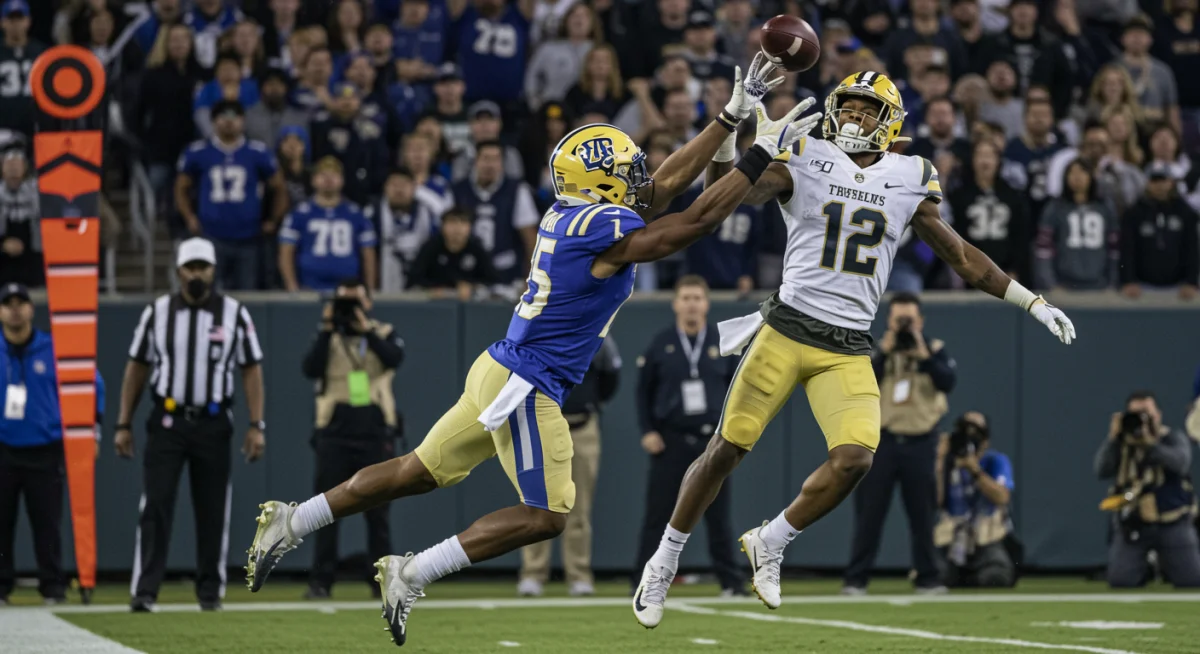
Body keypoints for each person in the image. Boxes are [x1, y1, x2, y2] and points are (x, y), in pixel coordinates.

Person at [246, 54, 818, 647]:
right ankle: (412, 570)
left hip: (499, 367)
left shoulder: (572, 214)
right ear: (602, 181)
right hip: (528, 380)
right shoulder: (601, 228)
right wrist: (759, 156)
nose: (639, 177)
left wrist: (729, 118)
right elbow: (692, 220)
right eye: (627, 170)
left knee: (415, 472)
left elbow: (668, 186)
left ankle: (295, 519)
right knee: (547, 514)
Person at [634, 70, 1076, 627]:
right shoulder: (807, 153)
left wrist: (1030, 302)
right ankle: (664, 560)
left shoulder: (911, 175)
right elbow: (725, 198)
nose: (854, 118)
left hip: (846, 345)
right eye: (849, 107)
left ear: (890, 122)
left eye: (868, 110)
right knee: (726, 451)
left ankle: (770, 540)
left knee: (855, 460)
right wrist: (737, 136)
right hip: (785, 329)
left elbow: (961, 257)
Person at [114, 238, 266, 612]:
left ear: (213, 269)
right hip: (167, 420)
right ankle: (145, 590)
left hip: (214, 421)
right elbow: (136, 367)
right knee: (156, 504)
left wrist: (257, 423)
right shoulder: (158, 312)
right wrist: (123, 422)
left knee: (213, 508)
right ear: (179, 270)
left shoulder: (234, 313)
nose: (197, 273)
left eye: (203, 266)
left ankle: (210, 592)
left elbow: (251, 369)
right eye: (190, 267)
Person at [632, 276, 745, 597]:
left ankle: (731, 583)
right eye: (686, 297)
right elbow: (643, 392)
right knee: (658, 516)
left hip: (713, 443)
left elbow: (737, 392)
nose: (692, 303)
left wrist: (731, 435)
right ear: (676, 303)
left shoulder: (723, 344)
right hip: (671, 440)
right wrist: (648, 431)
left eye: (697, 297)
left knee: (719, 517)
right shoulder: (661, 342)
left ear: (706, 303)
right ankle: (643, 582)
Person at [843, 292, 956, 594]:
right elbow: (859, 383)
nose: (905, 325)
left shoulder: (933, 349)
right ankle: (856, 579)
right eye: (899, 320)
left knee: (923, 515)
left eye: (910, 320)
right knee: (869, 515)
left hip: (921, 442)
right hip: (883, 443)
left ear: (920, 321)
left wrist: (923, 354)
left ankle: (928, 577)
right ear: (889, 321)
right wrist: (884, 351)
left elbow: (948, 381)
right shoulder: (878, 350)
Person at [0, 283, 104, 606]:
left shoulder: (54, 349)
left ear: (32, 308)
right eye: (8, 303)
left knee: (47, 523)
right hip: (3, 448)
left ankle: (53, 587)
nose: (15, 309)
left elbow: (92, 384)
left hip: (46, 447)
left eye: (21, 302)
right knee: (1, 524)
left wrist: (93, 431)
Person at [301, 279, 405, 599]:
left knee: (378, 513)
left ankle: (381, 582)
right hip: (335, 430)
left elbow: (394, 358)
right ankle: (321, 580)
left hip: (374, 430)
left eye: (355, 302)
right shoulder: (328, 336)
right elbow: (310, 367)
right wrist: (328, 326)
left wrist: (366, 330)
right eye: (344, 302)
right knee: (327, 509)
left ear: (368, 303)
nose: (350, 309)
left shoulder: (383, 332)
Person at [517, 335, 620, 598]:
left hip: (582, 424)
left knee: (580, 507)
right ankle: (533, 573)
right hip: (543, 424)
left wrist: (591, 402)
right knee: (536, 502)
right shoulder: (539, 329)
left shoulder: (598, 335)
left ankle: (579, 574)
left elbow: (610, 378)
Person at [175, 100, 289, 291]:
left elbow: (279, 187)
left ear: (243, 121)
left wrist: (273, 219)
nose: (229, 122)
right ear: (213, 121)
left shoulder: (257, 152)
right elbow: (180, 187)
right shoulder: (198, 152)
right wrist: (189, 217)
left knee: (248, 293)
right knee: (210, 292)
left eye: (234, 117)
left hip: (248, 236)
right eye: (223, 117)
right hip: (211, 234)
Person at [1097, 391, 1200, 588]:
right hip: (1134, 523)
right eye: (1136, 415)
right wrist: (1112, 439)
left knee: (1192, 580)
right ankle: (1147, 568)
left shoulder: (1171, 437)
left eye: (1147, 414)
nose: (1142, 421)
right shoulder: (1122, 443)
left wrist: (1150, 445)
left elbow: (1180, 464)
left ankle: (1167, 564)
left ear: (1158, 415)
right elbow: (1101, 470)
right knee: (1121, 581)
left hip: (1172, 520)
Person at [934, 411, 1017, 588]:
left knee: (997, 577)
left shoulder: (995, 461)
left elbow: (1002, 497)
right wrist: (940, 462)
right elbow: (934, 502)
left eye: (976, 433)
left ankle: (967, 578)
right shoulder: (946, 464)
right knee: (935, 575)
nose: (970, 438)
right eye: (964, 431)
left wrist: (975, 471)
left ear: (986, 440)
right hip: (951, 539)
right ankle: (960, 576)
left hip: (987, 537)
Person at [278, 156, 379, 291]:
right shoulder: (299, 214)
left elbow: (368, 255)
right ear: (313, 180)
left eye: (334, 175)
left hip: (348, 289)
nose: (328, 179)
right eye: (323, 175)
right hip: (309, 287)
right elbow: (286, 253)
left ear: (342, 180)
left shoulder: (356, 214)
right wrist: (292, 287)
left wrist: (369, 288)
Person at [1119, 162, 1200, 299]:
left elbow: (1192, 249)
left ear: (1171, 182)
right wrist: (1129, 280)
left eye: (1163, 179)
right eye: (1154, 180)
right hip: (1141, 287)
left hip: (1179, 287)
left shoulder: (1185, 212)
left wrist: (1191, 281)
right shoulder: (1134, 213)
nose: (1159, 184)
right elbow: (1127, 249)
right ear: (1147, 182)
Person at [406, 206, 496, 298]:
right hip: (434, 303)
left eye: (463, 222)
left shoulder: (476, 248)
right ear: (442, 226)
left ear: (470, 227)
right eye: (452, 222)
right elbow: (414, 279)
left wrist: (471, 286)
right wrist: (433, 288)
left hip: (470, 303)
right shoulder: (431, 247)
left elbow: (494, 280)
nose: (457, 228)